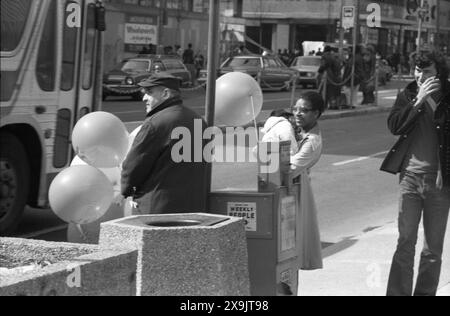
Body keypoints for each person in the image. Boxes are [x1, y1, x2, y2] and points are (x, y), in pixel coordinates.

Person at [380, 51, 450, 296]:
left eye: (427, 71)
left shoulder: (447, 98)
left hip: (439, 183)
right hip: (410, 178)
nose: (421, 76)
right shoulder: (408, 94)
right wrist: (418, 101)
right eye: (418, 71)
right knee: (405, 243)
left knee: (432, 250)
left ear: (439, 73)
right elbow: (395, 126)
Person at [120, 72, 209, 214]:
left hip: (156, 208)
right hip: (193, 207)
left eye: (149, 92)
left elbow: (134, 165)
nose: (144, 98)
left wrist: (125, 190)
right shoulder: (199, 121)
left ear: (166, 94)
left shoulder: (155, 124)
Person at [290, 91, 325, 270]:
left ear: (316, 114)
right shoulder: (299, 131)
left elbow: (289, 170)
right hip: (289, 193)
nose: (297, 113)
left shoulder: (312, 142)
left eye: (303, 110)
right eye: (295, 109)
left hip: (294, 196)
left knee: (290, 252)